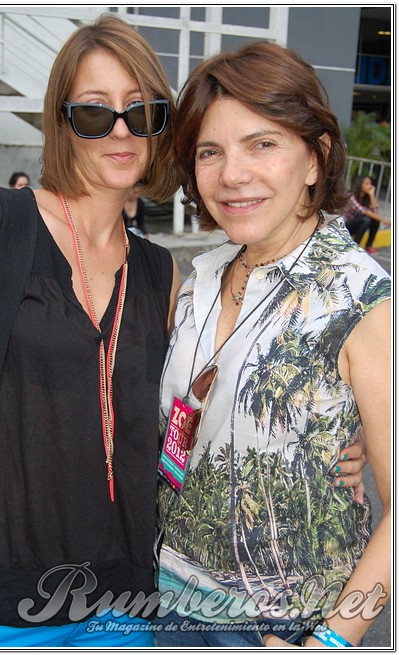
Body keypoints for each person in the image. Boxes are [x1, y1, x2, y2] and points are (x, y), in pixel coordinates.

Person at [154, 41, 390, 649]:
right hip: (163, 598)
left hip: (278, 626)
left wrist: (332, 642)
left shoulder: (361, 299)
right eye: (210, 151)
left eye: (262, 144)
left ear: (316, 157)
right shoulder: (201, 277)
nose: (232, 174)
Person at [0, 14, 181, 648]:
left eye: (141, 111)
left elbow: (183, 415)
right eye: (94, 111)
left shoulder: (160, 271)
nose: (121, 130)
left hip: (123, 601)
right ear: (62, 122)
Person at [342, 175, 391, 253]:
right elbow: (364, 211)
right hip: (345, 225)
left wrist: (371, 194)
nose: (370, 186)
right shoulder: (351, 197)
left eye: (370, 184)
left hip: (358, 224)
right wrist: (384, 220)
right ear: (359, 184)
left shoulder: (365, 198)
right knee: (366, 220)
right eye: (366, 184)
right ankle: (355, 245)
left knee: (375, 220)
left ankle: (369, 245)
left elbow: (375, 212)